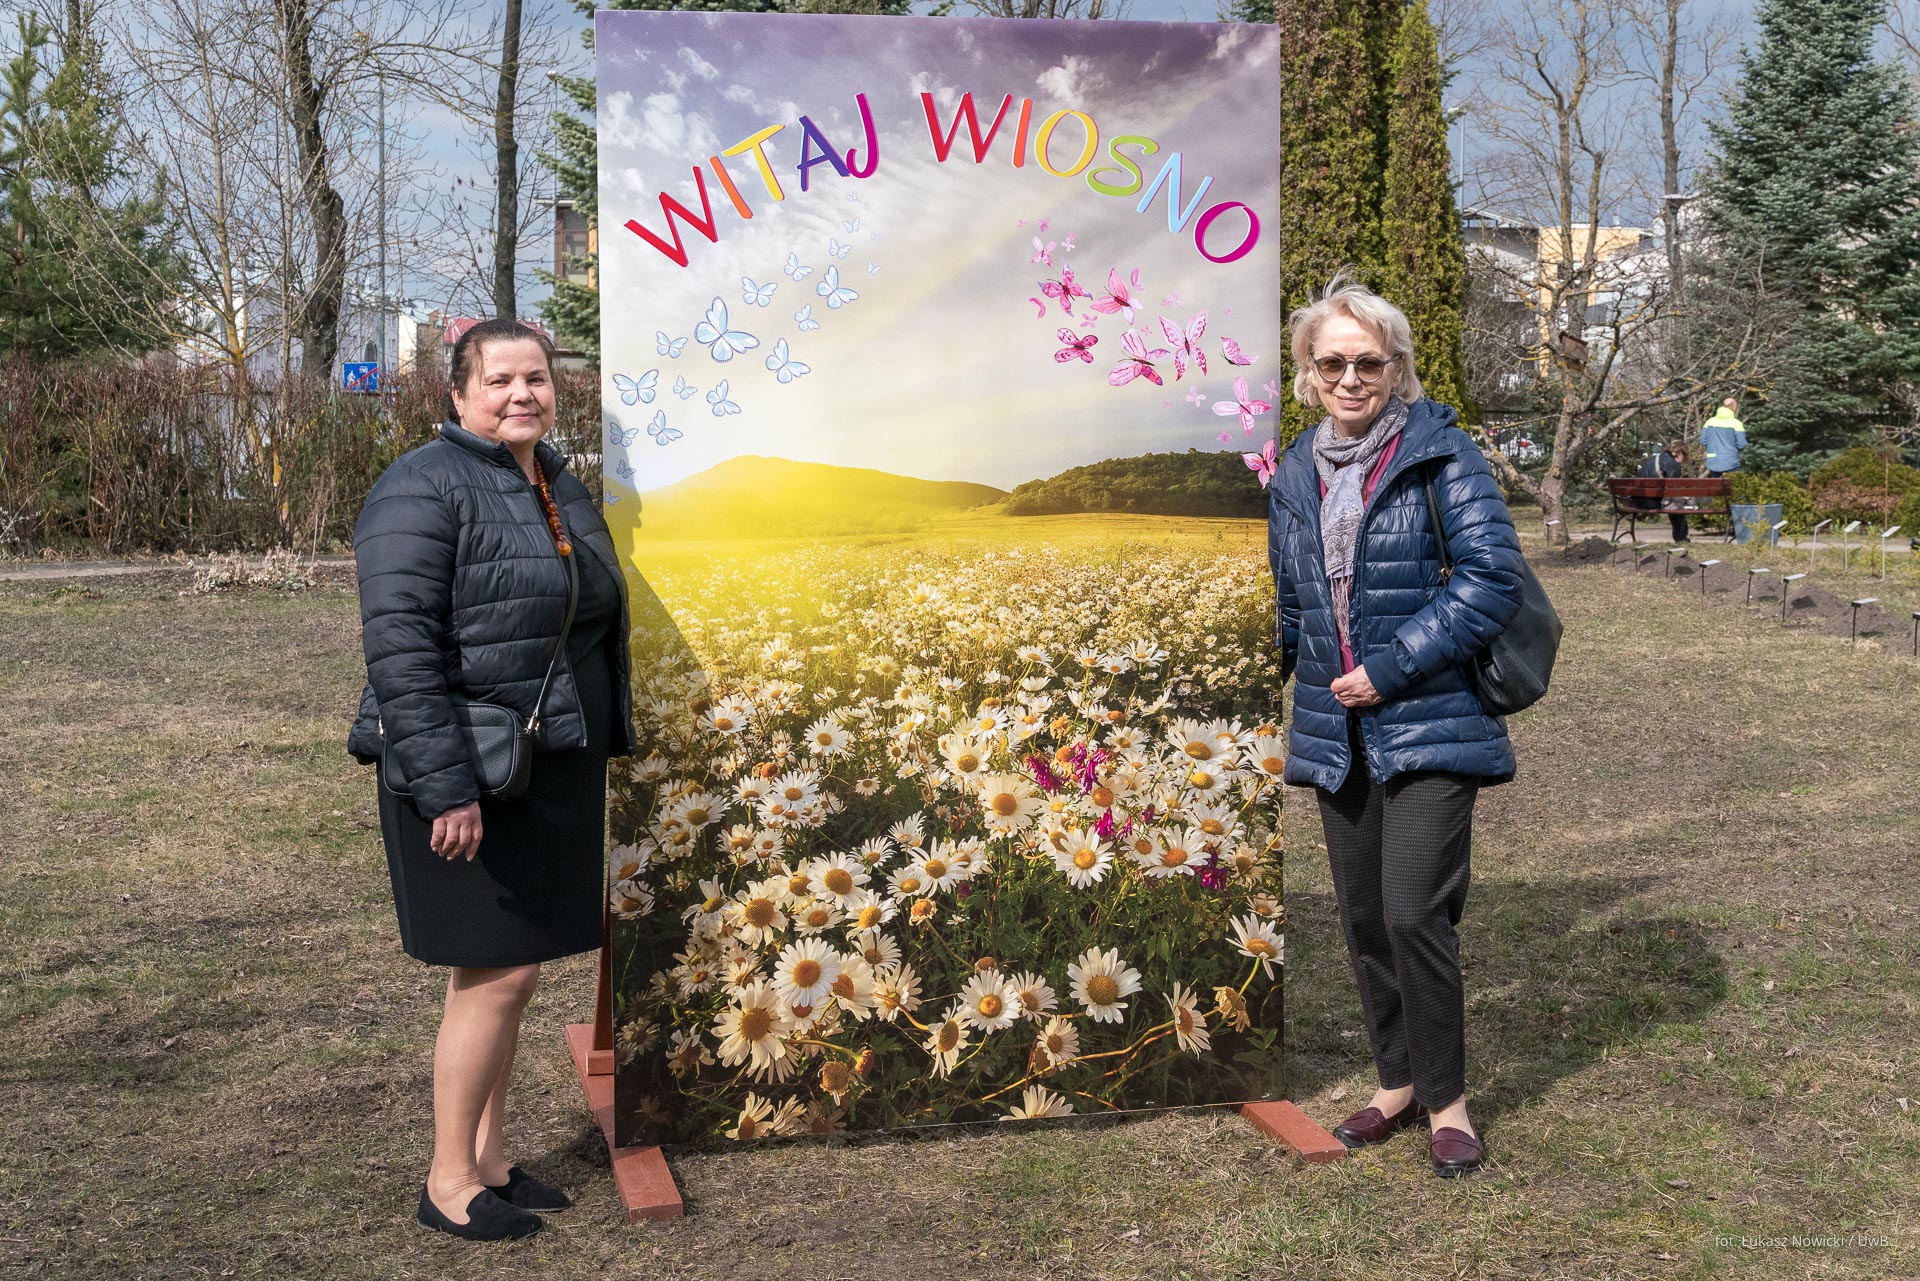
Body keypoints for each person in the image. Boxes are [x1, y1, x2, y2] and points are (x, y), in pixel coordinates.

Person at [347, 319, 636, 1240]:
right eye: (501, 379)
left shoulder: (554, 480)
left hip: (544, 768)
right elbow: (400, 650)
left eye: (537, 378)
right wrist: (446, 787)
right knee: (498, 972)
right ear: (459, 393)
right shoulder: (421, 487)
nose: (522, 394)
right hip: (470, 772)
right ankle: (447, 1182)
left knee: (514, 972)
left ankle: (491, 1161)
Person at [1266, 272, 1525, 1177]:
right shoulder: (1293, 473)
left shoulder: (1440, 453)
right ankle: (1396, 1083)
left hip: (1429, 719)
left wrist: (1389, 668)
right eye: (1331, 362)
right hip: (1336, 732)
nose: (1350, 378)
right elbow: (1292, 600)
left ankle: (1448, 1101)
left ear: (1397, 368)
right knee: (1367, 918)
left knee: (1416, 910)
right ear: (1308, 371)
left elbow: (1491, 580)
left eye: (1368, 363)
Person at [1636, 441, 1692, 542]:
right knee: (1676, 503)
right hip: (1654, 503)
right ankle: (1681, 537)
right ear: (1680, 453)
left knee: (1674, 500)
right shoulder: (1674, 465)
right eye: (1684, 456)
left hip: (1639, 501)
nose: (1683, 460)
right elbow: (1673, 491)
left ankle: (1681, 536)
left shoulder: (1651, 459)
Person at [1700, 398, 1747, 477]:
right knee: (1732, 484)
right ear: (1734, 408)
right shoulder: (1737, 424)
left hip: (1713, 462)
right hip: (1731, 462)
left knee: (1715, 484)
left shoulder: (1709, 422)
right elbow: (1741, 445)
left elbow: (1703, 441)